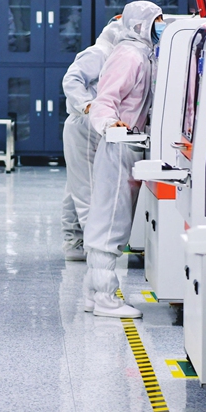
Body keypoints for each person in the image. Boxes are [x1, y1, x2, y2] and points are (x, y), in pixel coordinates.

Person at [81, 1, 165, 318]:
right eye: (157, 21)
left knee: (110, 216)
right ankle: (105, 297)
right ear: (140, 24)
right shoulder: (129, 55)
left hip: (128, 143)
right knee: (112, 220)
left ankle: (94, 294)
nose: (161, 26)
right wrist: (109, 125)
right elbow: (105, 100)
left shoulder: (141, 53)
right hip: (119, 144)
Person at [60, 16, 125, 260]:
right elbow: (72, 79)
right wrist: (88, 106)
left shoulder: (108, 54)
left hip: (87, 123)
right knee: (88, 188)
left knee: (76, 186)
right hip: (83, 122)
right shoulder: (98, 53)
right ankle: (94, 250)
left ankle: (74, 242)